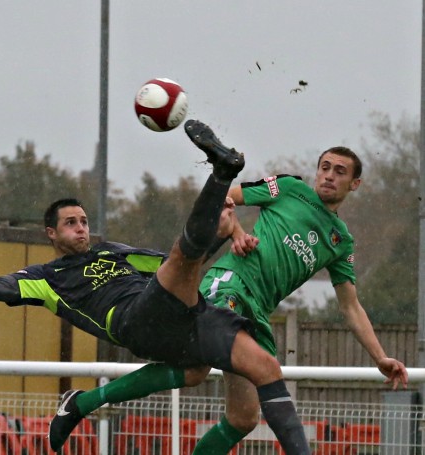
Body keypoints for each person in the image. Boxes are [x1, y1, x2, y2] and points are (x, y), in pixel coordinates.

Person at [0, 120, 312, 455]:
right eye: (70, 223)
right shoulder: (47, 277)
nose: (80, 228)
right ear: (51, 233)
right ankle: (220, 174)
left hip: (184, 314)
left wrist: (218, 239)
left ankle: (81, 403)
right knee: (181, 260)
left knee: (263, 368)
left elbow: (181, 264)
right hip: (134, 321)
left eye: (83, 221)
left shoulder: (113, 252)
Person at [46, 132, 409, 453]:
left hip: (258, 309)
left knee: (242, 418)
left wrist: (379, 357)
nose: (329, 175)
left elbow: (350, 306)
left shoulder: (340, 241)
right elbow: (223, 200)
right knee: (201, 367)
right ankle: (82, 404)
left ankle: (81, 403)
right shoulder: (289, 188)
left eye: (340, 171)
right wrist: (236, 233)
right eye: (325, 167)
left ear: (355, 184)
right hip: (229, 284)